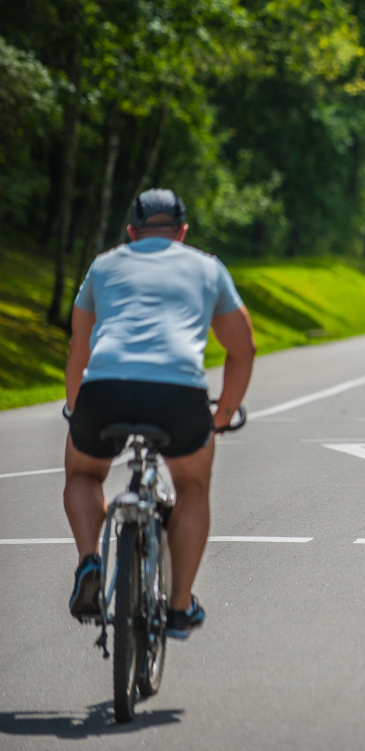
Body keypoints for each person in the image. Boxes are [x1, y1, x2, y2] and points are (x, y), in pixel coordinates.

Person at [64, 189, 257, 639]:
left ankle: (89, 560)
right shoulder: (207, 267)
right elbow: (242, 348)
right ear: (183, 232)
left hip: (104, 387)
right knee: (191, 486)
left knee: (83, 474)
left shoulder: (104, 265)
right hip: (178, 393)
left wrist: (77, 411)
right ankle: (179, 607)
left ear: (131, 232)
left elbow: (79, 346)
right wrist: (223, 414)